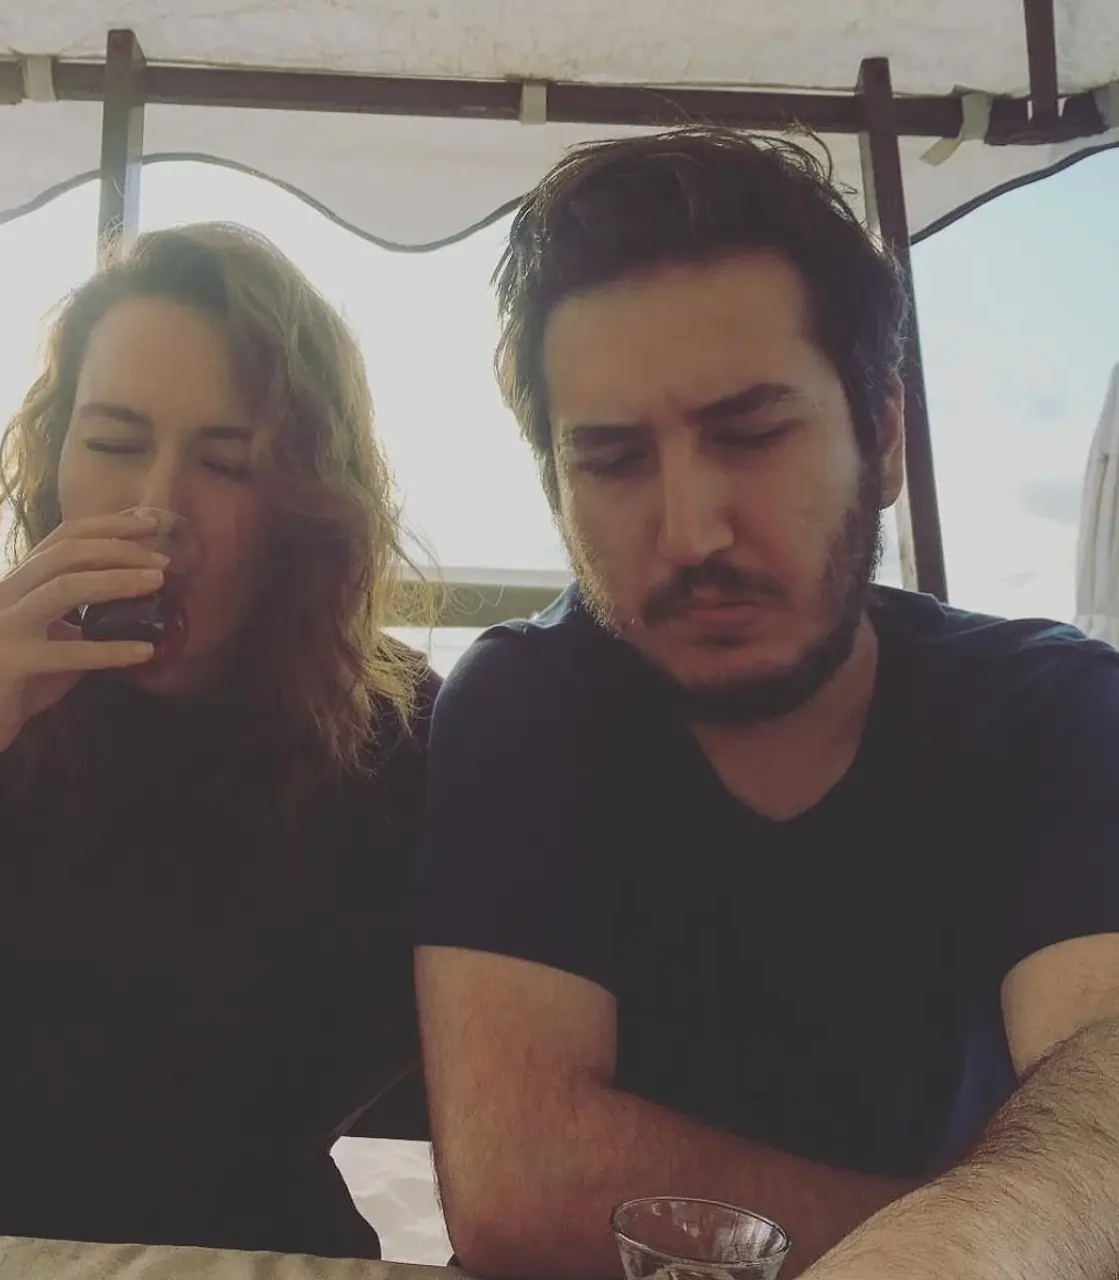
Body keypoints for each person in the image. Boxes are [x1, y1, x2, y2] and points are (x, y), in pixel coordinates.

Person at [415, 129, 1119, 1279]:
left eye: (749, 435)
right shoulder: (526, 708)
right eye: (612, 460)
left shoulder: (1045, 711)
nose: (690, 531)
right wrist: (995, 1229)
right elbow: (521, 1183)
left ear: (880, 436)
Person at [0, 223, 440, 1258]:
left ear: (302, 500)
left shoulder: (390, 730)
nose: (159, 508)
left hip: (246, 1257)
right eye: (114, 444)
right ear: (54, 457)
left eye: (227, 462)